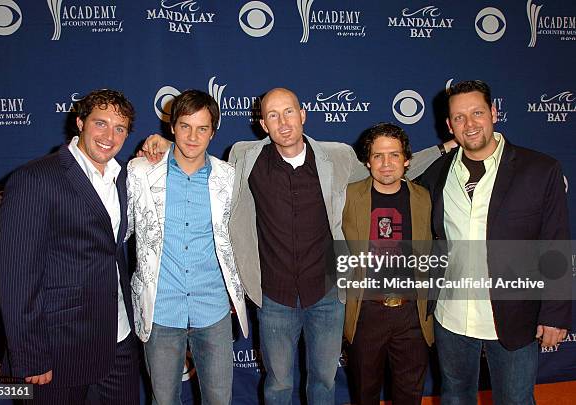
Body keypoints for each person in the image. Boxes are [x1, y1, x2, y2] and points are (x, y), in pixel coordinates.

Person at [142, 87, 449, 404]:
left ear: (303, 115)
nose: (283, 122)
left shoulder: (338, 157)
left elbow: (386, 169)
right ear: (263, 124)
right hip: (275, 297)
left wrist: (445, 148)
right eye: (272, 115)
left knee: (324, 383)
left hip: (328, 293)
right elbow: (197, 156)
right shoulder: (244, 158)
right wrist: (167, 146)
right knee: (277, 385)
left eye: (289, 112)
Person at [418, 80, 571, 405]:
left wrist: (556, 314)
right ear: (449, 126)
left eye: (477, 113)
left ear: (494, 112)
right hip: (452, 315)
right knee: (455, 397)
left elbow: (556, 243)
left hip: (514, 316)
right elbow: (391, 171)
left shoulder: (540, 169)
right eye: (459, 118)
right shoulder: (438, 172)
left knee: (515, 400)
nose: (469, 124)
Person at [0, 89, 139, 404]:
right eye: (100, 124)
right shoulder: (35, 179)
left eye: (120, 128)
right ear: (80, 123)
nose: (109, 135)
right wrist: (31, 355)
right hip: (60, 349)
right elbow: (17, 277)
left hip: (120, 341)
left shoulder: (125, 176)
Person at [127, 90, 248, 405]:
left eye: (202, 128)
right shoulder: (140, 171)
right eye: (185, 126)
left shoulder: (229, 177)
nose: (193, 136)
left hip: (213, 309)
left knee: (219, 400)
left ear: (213, 131)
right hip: (161, 309)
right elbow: (121, 230)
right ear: (171, 127)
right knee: (164, 400)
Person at [342, 123, 434, 405]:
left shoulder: (425, 198)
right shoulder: (347, 197)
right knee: (364, 395)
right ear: (367, 161)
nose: (386, 164)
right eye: (378, 155)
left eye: (394, 155)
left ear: (406, 160)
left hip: (412, 316)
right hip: (366, 313)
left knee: (409, 396)